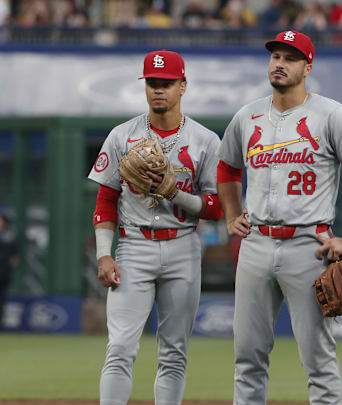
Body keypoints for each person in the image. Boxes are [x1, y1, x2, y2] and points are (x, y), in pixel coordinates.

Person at [217, 30, 342, 405]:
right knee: (247, 356)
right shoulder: (248, 116)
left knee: (318, 358)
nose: (279, 63)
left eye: (290, 58)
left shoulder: (332, 114)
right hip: (256, 243)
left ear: (307, 67)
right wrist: (230, 214)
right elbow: (226, 168)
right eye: (275, 56)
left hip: (309, 246)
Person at [88, 50, 223, 405]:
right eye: (152, 83)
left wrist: (174, 192)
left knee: (174, 352)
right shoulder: (122, 135)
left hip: (183, 246)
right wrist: (105, 254)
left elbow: (217, 207)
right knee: (119, 347)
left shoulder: (206, 140)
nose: (158, 90)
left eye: (166, 83)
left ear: (183, 86)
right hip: (134, 246)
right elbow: (105, 201)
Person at [0, 213, 18, 330]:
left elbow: (15, 258)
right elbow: (15, 259)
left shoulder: (9, 236)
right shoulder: (12, 235)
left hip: (4, 272)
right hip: (5, 272)